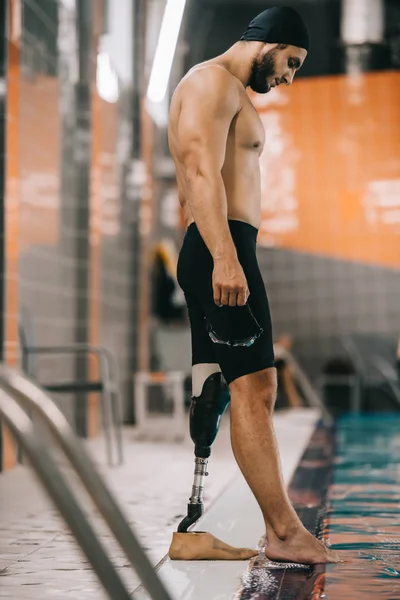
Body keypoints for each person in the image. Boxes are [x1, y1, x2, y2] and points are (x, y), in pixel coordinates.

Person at [168, 6, 340, 564]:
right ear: (267, 42)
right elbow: (197, 174)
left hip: (219, 247)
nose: (289, 76)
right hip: (222, 249)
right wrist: (223, 257)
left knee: (217, 388)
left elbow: (193, 186)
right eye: (290, 62)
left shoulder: (227, 91)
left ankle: (189, 533)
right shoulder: (210, 83)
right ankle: (284, 532)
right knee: (257, 387)